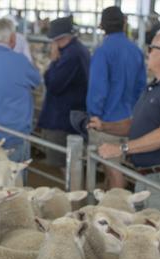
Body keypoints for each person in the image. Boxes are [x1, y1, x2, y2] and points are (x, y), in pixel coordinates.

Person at [89, 32, 160, 210]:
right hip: (145, 178)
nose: (148, 52)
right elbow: (134, 124)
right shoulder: (152, 87)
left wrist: (121, 148)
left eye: (152, 48)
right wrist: (104, 126)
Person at [87, 6, 147, 189]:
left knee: (113, 168)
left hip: (108, 121)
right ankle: (112, 200)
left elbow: (98, 88)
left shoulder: (103, 51)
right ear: (124, 23)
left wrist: (94, 114)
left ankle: (119, 207)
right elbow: (141, 87)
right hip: (129, 119)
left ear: (101, 26)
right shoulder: (135, 50)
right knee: (115, 165)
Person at [0, 18, 41, 162]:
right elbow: (37, 81)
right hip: (13, 134)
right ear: (12, 37)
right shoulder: (21, 61)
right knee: (14, 180)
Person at [38, 16, 90, 168]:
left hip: (63, 118)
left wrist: (53, 62)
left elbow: (54, 84)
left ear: (58, 39)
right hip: (73, 115)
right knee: (71, 164)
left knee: (65, 164)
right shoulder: (79, 50)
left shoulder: (70, 55)